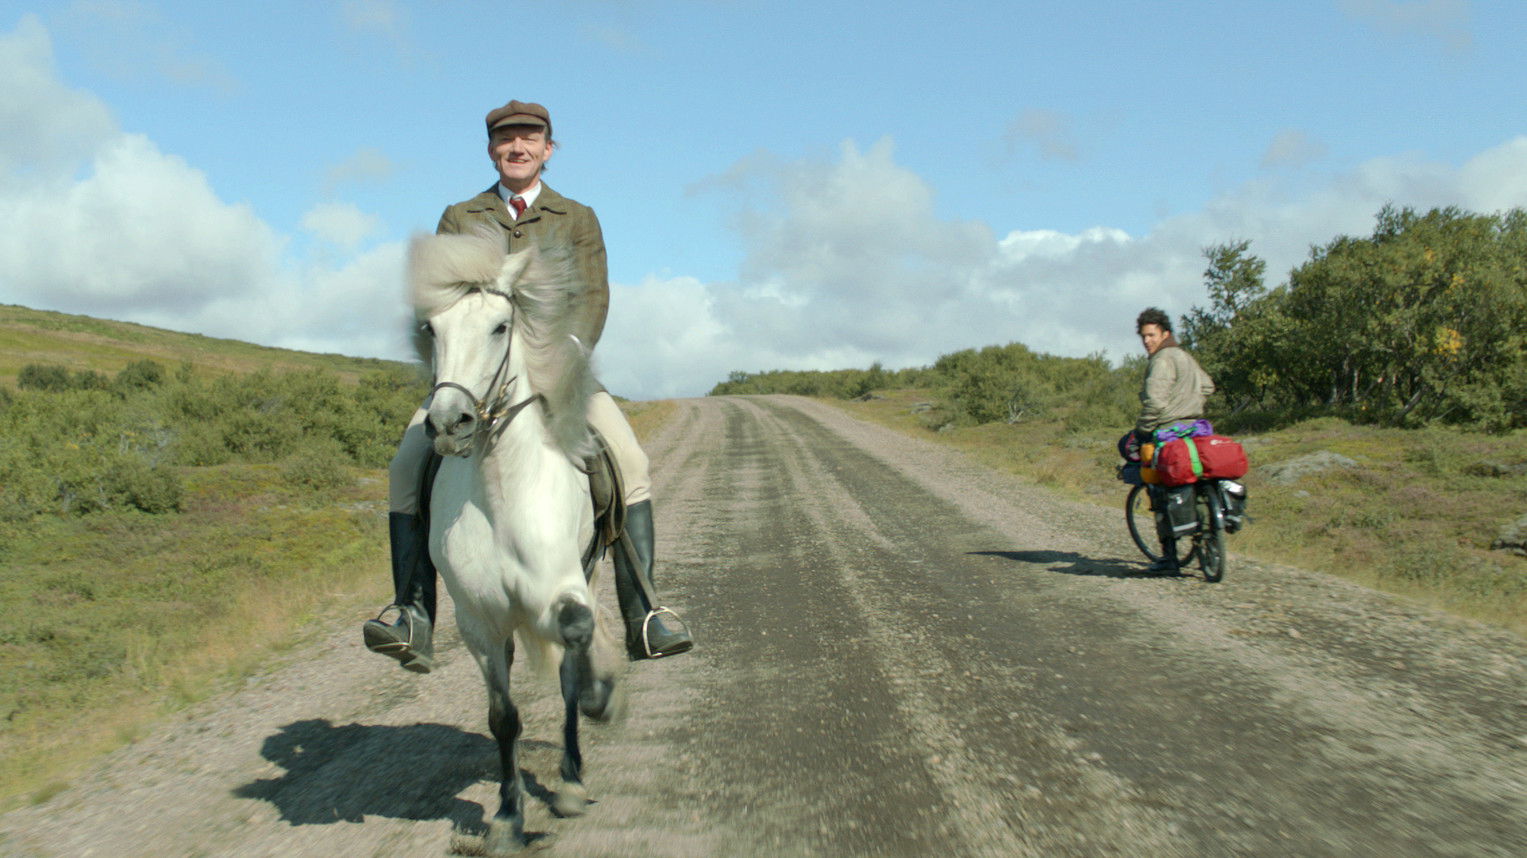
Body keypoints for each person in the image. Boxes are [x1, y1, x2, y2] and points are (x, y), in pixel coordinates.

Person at [363, 100, 693, 671]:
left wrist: (566, 355)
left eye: (529, 138)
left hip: (560, 372)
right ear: (492, 150)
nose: (517, 147)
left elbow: (593, 296)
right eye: (506, 139)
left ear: (547, 149)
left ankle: (644, 612)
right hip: (474, 376)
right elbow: (436, 298)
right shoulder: (460, 216)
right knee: (405, 467)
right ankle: (412, 612)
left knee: (630, 461)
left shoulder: (577, 217)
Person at [1128, 307, 1215, 572]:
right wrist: (1189, 401)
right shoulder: (1184, 356)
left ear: (1165, 334)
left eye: (1152, 335)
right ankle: (1208, 542)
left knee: (1158, 486)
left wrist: (1142, 431)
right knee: (1196, 480)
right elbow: (1208, 386)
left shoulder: (1162, 359)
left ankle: (1169, 557)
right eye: (1143, 336)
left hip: (1168, 431)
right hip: (1195, 429)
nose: (1147, 341)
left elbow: (1155, 402)